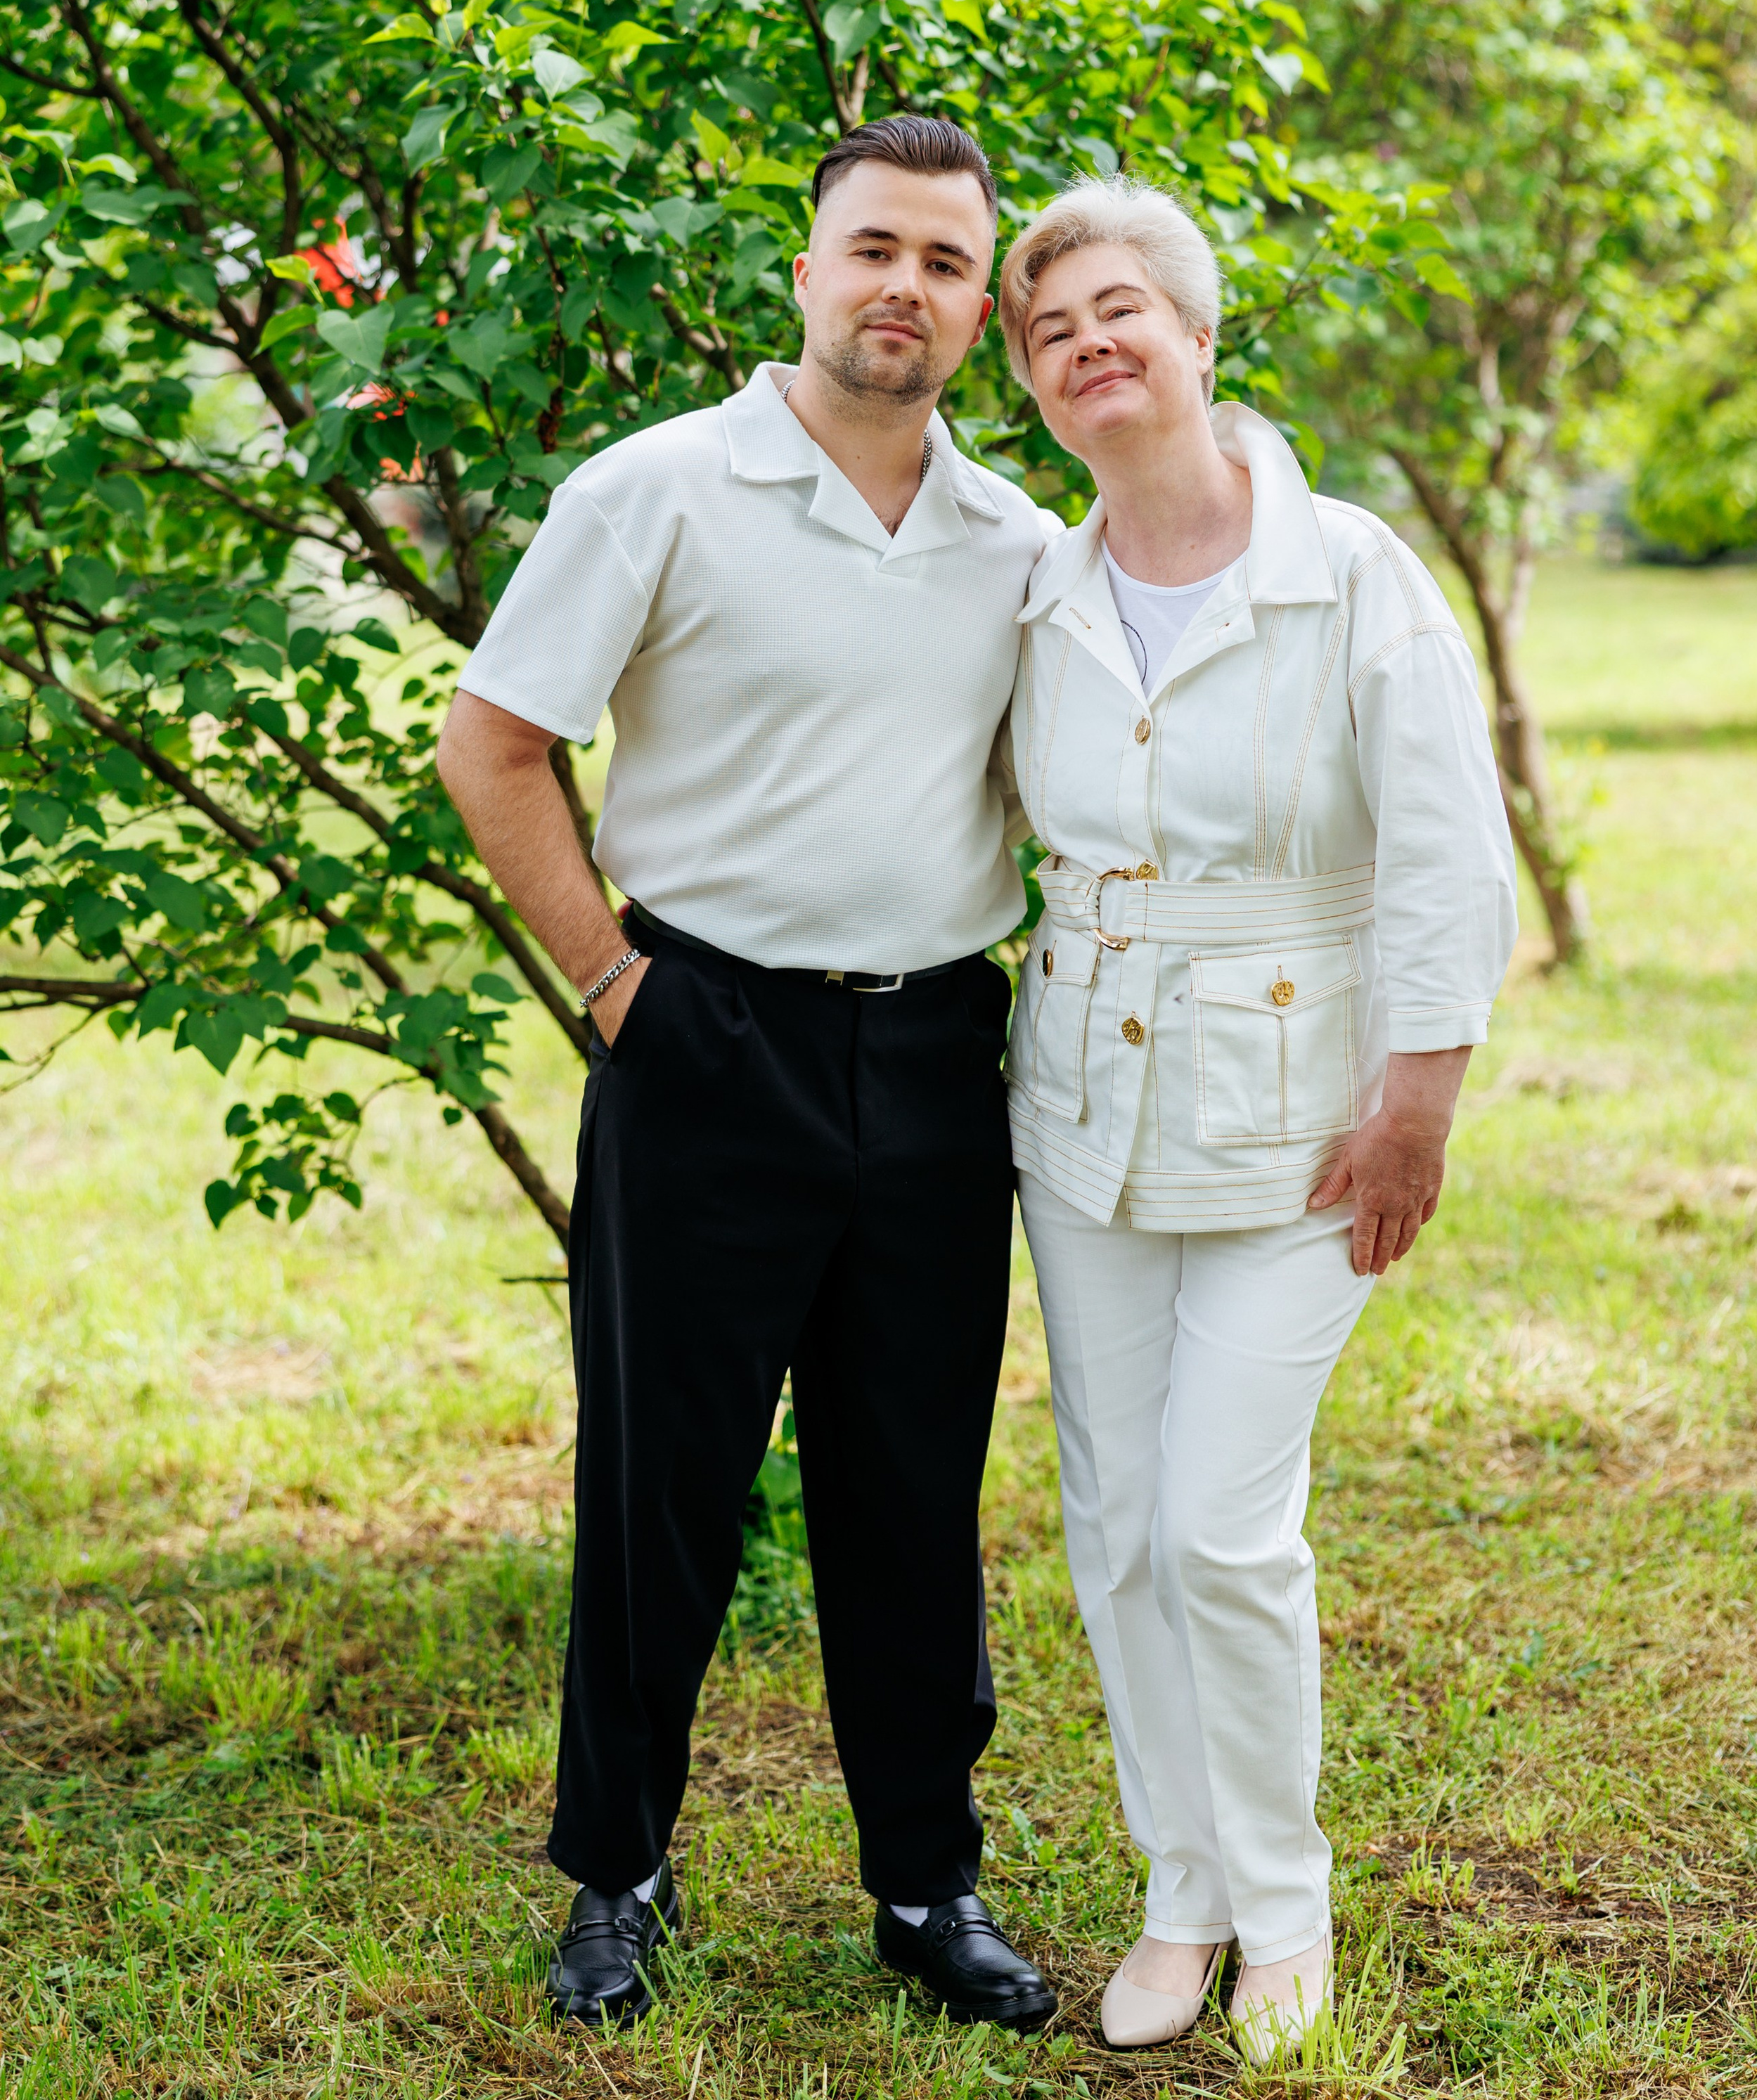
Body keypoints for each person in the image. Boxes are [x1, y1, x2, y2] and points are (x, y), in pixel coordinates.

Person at [437, 114, 1060, 2036]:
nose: (907, 289)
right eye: (876, 248)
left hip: (942, 1057)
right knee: (665, 1487)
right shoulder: (661, 487)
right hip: (705, 1037)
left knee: (909, 1490)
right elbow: (492, 744)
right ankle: (617, 1876)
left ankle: (923, 1888)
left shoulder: (1021, 546)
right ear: (804, 269)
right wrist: (619, 982)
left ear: (980, 310)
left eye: (948, 266)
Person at [994, 176, 1517, 2064]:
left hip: (1305, 1124)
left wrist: (1420, 1114)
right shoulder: (1037, 589)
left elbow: (1451, 859)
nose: (1089, 347)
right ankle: (1178, 1894)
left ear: (1201, 337)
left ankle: (1284, 1908)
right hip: (1083, 1115)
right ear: (1033, 386)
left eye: (1121, 310)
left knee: (1222, 1526)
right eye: (1049, 332)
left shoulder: (1354, 573)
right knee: (1117, 1528)